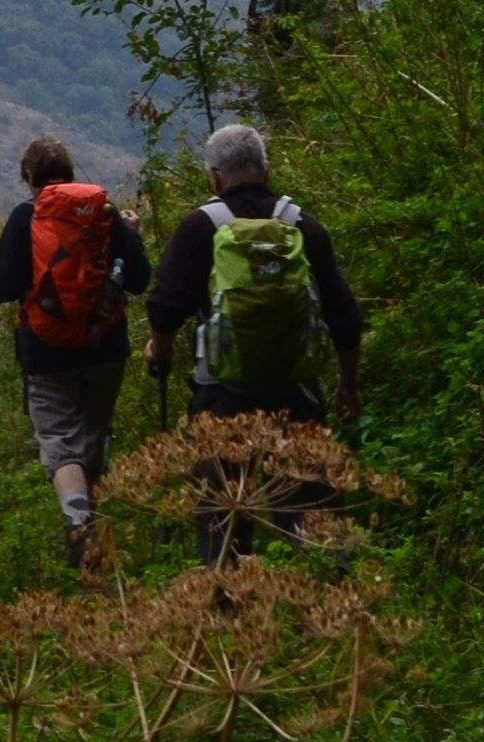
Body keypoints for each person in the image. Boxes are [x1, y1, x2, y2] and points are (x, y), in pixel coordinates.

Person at [146, 122, 364, 557]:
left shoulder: (199, 227)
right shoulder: (304, 226)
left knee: (225, 508)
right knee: (310, 505)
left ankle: (226, 599)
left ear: (214, 176)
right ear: (266, 170)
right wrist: (348, 384)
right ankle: (324, 590)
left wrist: (161, 351)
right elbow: (344, 315)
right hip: (296, 391)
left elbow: (165, 307)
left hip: (222, 394)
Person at [0, 136, 152, 568]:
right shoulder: (107, 217)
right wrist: (132, 236)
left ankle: (79, 526)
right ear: (71, 173)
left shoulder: (26, 216)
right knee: (94, 432)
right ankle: (98, 535)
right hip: (106, 344)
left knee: (59, 443)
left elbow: (6, 286)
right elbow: (140, 279)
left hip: (47, 350)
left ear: (27, 177)